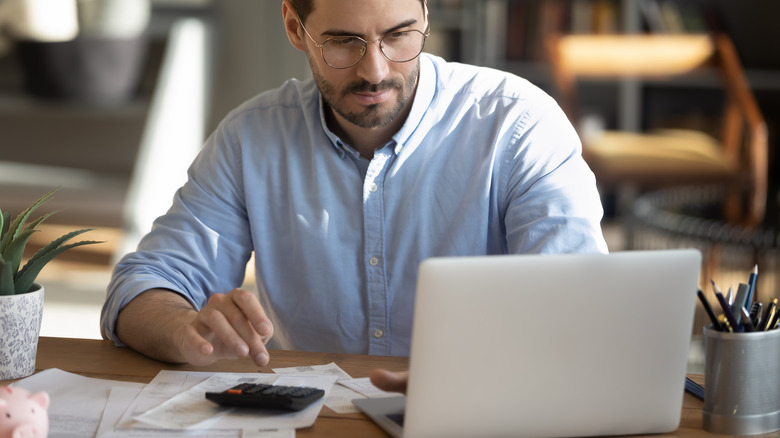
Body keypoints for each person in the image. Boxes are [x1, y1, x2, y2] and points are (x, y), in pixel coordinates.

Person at [100, 0, 608, 392]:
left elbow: (580, 305)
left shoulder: (517, 125)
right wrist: (186, 327)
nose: (375, 71)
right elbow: (140, 286)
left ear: (426, 15)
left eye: (399, 36)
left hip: (484, 415)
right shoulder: (250, 138)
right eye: (343, 42)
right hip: (311, 420)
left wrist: (473, 381)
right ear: (294, 27)